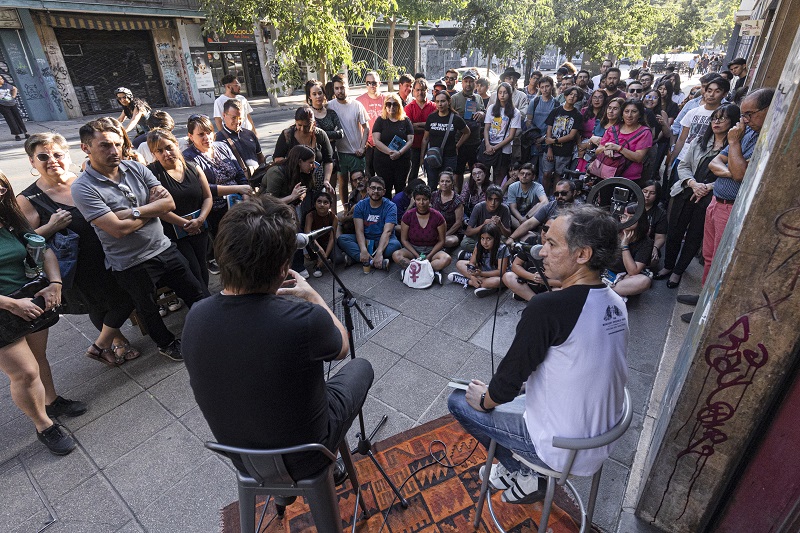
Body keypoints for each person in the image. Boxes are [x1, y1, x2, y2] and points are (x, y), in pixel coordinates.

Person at [182, 195, 373, 482]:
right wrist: (311, 294)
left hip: (243, 459)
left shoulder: (195, 316)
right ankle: (329, 465)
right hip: (307, 455)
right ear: (284, 267)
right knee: (362, 367)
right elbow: (342, 345)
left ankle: (297, 488)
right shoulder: (305, 320)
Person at [449, 205, 627, 503]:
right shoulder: (615, 299)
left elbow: (506, 384)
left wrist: (485, 399)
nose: (541, 252)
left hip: (563, 447)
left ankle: (525, 472)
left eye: (552, 244)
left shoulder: (547, 308)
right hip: (600, 438)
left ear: (582, 255)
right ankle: (524, 468)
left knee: (459, 400)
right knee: (513, 391)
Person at [72, 118, 208, 362]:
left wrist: (135, 211)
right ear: (86, 148)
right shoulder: (83, 187)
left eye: (117, 144)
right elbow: (118, 230)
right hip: (131, 262)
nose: (114, 151)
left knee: (196, 291)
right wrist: (151, 208)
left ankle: (210, 328)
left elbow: (168, 204)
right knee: (148, 310)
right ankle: (166, 344)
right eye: (105, 145)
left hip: (164, 247)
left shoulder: (136, 168)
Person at [18, 133, 138, 367]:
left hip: (112, 251)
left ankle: (103, 344)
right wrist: (51, 226)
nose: (52, 160)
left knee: (128, 294)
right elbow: (25, 242)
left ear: (67, 155)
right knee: (97, 304)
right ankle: (117, 341)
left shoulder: (85, 180)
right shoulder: (29, 198)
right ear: (32, 162)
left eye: (57, 154)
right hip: (78, 265)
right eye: (43, 156)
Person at [0, 170, 86, 456]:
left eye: (1, 190)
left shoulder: (9, 217)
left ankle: (51, 400)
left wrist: (55, 283)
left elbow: (43, 249)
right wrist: (11, 304)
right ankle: (44, 425)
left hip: (28, 300)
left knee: (38, 359)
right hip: (5, 308)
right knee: (24, 372)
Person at [656, 105, 740, 288]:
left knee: (694, 235)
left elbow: (735, 175)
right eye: (714, 118)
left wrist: (707, 187)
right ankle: (668, 266)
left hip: (710, 197)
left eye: (722, 118)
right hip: (686, 190)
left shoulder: (734, 148)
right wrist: (693, 183)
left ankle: (678, 272)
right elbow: (683, 166)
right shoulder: (699, 141)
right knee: (675, 230)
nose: (716, 122)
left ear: (733, 122)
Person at [147, 129, 214, 291]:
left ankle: (203, 300)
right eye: (159, 151)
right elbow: (158, 209)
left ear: (176, 144)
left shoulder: (193, 167)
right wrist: (185, 224)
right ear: (153, 153)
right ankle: (202, 303)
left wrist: (200, 220)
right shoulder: (151, 174)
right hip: (174, 234)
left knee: (202, 266)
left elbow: (207, 197)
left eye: (169, 147)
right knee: (192, 270)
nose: (166, 153)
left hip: (199, 228)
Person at [182, 114, 251, 240]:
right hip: (216, 211)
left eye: (209, 132)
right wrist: (238, 189)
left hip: (240, 203)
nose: (207, 137)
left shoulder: (222, 146)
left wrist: (245, 198)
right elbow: (203, 188)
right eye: (201, 134)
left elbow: (240, 174)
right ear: (191, 136)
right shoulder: (188, 157)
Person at [337, 176, 401, 271]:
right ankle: (375, 261)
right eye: (373, 188)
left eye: (379, 189)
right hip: (366, 239)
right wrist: (363, 249)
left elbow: (387, 232)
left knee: (395, 245)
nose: (375, 191)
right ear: (368, 190)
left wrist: (379, 252)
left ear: (384, 192)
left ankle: (359, 259)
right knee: (342, 239)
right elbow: (359, 231)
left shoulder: (391, 206)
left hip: (383, 240)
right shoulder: (360, 206)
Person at [392, 184, 451, 279]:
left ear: (430, 200)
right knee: (396, 255)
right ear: (414, 200)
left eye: (425, 199)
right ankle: (428, 272)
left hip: (432, 250)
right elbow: (404, 240)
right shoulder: (408, 216)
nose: (421, 202)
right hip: (413, 249)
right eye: (418, 199)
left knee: (446, 259)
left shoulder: (438, 217)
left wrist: (429, 256)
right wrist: (416, 255)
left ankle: (414, 271)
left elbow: (441, 241)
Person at [328, 75, 369, 202]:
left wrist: (362, 147)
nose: (340, 91)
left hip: (356, 153)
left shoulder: (357, 105)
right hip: (340, 153)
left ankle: (359, 208)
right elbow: (314, 113)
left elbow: (366, 128)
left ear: (348, 87)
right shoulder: (329, 106)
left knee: (358, 184)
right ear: (334, 89)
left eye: (342, 87)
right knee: (342, 183)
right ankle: (346, 208)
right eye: (337, 88)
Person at [273, 106, 334, 190]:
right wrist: (295, 165)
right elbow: (277, 158)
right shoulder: (287, 135)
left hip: (317, 181)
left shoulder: (320, 135)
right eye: (299, 125)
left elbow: (328, 160)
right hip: (294, 182)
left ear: (314, 123)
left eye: (306, 126)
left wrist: (326, 180)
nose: (302, 129)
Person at [420, 91, 470, 188]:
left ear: (449, 102)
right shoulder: (431, 117)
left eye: (443, 101)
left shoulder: (455, 118)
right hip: (432, 156)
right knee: (432, 184)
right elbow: (425, 139)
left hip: (449, 156)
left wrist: (458, 145)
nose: (440, 104)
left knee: (446, 185)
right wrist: (422, 157)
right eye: (437, 101)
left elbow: (467, 132)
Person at [596, 100, 653, 181]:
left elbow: (638, 157)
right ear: (622, 114)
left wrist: (618, 148)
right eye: (626, 111)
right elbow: (597, 151)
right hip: (605, 175)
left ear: (640, 114)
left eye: (634, 112)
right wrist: (606, 148)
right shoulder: (612, 129)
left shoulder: (644, 132)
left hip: (628, 179)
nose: (629, 115)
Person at [507, 179, 578, 245]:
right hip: (547, 238)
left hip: (565, 242)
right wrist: (511, 238)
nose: (559, 196)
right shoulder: (551, 205)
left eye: (563, 193)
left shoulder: (580, 211)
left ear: (574, 193)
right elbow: (530, 223)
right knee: (525, 237)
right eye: (556, 194)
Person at [449, 222, 509, 297]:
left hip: (494, 274)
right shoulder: (479, 245)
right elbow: (472, 263)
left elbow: (501, 272)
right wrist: (473, 276)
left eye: (488, 239)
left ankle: (468, 282)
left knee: (498, 281)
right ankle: (482, 285)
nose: (485, 242)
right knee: (460, 263)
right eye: (482, 238)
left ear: (495, 238)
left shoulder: (502, 249)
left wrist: (480, 274)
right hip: (481, 269)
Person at [606, 203, 653, 297]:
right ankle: (607, 291)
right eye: (624, 216)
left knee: (644, 281)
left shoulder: (646, 242)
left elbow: (633, 271)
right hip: (603, 271)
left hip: (623, 277)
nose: (626, 221)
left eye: (631, 218)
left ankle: (606, 291)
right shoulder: (613, 230)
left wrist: (625, 246)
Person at [372, 93, 415, 197]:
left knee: (400, 188)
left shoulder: (405, 120)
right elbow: (376, 141)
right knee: (385, 188)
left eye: (395, 104)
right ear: (385, 106)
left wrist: (399, 153)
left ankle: (399, 211)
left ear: (399, 106)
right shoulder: (380, 121)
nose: (392, 107)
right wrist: (390, 152)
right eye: (389, 104)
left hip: (402, 161)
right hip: (383, 162)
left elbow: (410, 140)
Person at [450, 69, 486, 192]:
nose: (468, 84)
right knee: (458, 171)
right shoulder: (454, 98)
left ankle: (473, 194)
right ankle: (458, 193)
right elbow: (449, 117)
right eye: (466, 81)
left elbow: (485, 113)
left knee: (475, 171)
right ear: (462, 83)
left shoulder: (478, 98)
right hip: (459, 142)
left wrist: (482, 113)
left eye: (471, 81)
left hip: (475, 141)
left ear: (475, 83)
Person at [543, 86, 584, 192]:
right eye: (571, 94)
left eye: (576, 96)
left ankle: (556, 196)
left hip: (565, 151)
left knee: (559, 175)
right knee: (546, 173)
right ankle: (543, 196)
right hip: (550, 149)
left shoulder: (577, 115)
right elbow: (549, 129)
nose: (572, 97)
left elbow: (571, 135)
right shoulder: (556, 111)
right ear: (565, 96)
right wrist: (550, 148)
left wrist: (554, 141)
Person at [216, 99, 265, 177]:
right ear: (224, 115)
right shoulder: (217, 140)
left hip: (258, 180)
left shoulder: (250, 134)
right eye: (233, 118)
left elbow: (260, 158)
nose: (237, 121)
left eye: (240, 118)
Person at [483, 82, 521, 184]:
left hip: (504, 149)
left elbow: (511, 136)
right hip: (489, 144)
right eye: (500, 92)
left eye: (505, 92)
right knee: (485, 173)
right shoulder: (491, 108)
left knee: (500, 175)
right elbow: (486, 128)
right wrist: (487, 145)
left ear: (510, 94)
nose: (502, 95)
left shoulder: (515, 112)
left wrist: (495, 148)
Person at [460, 184, 512, 253]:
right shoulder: (478, 207)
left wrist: (500, 225)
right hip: (481, 238)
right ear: (486, 199)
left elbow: (508, 234)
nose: (493, 203)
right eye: (490, 199)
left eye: (496, 200)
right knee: (465, 243)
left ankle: (482, 253)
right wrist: (484, 225)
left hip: (496, 238)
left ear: (500, 201)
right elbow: (468, 232)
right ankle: (491, 253)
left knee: (509, 244)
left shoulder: (504, 209)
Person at [307, 80, 344, 174]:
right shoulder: (308, 115)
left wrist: (322, 134)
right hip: (314, 156)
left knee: (331, 186)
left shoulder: (331, 113)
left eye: (320, 93)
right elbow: (314, 134)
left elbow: (340, 133)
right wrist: (332, 134)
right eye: (314, 94)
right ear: (309, 96)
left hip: (331, 154)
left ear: (324, 94)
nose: (318, 96)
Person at [405, 78, 437, 185]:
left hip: (430, 145)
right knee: (413, 172)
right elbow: (409, 127)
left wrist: (417, 125)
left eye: (423, 90)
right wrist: (427, 125)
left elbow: (435, 126)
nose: (420, 92)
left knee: (431, 173)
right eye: (417, 90)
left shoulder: (434, 106)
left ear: (427, 90)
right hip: (413, 146)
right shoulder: (409, 108)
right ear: (413, 91)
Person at [525, 76, 557, 181]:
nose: (545, 89)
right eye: (542, 87)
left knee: (545, 172)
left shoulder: (556, 104)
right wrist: (536, 138)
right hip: (534, 141)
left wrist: (544, 138)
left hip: (548, 141)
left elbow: (556, 125)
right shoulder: (535, 102)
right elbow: (528, 121)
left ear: (552, 87)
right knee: (532, 169)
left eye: (547, 86)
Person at [356, 71, 385, 177]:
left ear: (379, 83)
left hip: (383, 144)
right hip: (368, 145)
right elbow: (357, 124)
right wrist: (362, 143)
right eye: (368, 83)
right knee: (368, 176)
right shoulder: (358, 101)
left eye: (374, 83)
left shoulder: (386, 100)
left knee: (383, 176)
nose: (371, 85)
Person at [304, 191, 338, 277]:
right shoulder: (310, 215)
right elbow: (308, 233)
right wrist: (319, 249)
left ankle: (322, 261)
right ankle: (317, 263)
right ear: (315, 204)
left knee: (338, 259)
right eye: (319, 202)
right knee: (314, 253)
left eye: (325, 202)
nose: (322, 204)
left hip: (327, 242)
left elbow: (332, 238)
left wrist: (324, 257)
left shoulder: (334, 218)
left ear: (330, 205)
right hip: (314, 242)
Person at [506, 163, 547, 228]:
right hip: (517, 219)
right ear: (518, 175)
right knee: (506, 211)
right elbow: (513, 207)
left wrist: (526, 217)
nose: (524, 176)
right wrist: (521, 219)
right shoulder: (512, 187)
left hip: (531, 217)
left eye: (528, 174)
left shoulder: (538, 187)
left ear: (533, 177)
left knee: (540, 205)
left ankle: (522, 230)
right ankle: (524, 230)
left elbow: (545, 202)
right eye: (522, 173)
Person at [431, 169, 464, 248]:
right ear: (439, 183)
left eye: (447, 181)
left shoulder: (457, 200)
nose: (444, 184)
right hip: (436, 229)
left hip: (451, 232)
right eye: (442, 181)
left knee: (449, 241)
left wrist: (444, 235)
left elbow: (458, 223)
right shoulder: (434, 195)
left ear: (452, 183)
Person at [577, 90, 607, 172]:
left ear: (604, 99)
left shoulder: (607, 114)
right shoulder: (584, 111)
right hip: (581, 143)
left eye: (600, 97)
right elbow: (577, 130)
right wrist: (580, 145)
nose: (597, 100)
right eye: (594, 97)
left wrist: (588, 144)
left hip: (597, 144)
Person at [641, 180, 667, 268]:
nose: (647, 195)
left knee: (653, 259)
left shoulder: (660, 214)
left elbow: (660, 237)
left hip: (647, 244)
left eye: (652, 193)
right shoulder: (630, 206)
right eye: (644, 191)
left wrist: (655, 248)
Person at [0, 76, 30, 141]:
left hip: (12, 104)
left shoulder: (6, 85)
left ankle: (26, 133)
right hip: (3, 106)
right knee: (10, 120)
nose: (1, 80)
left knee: (18, 118)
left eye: (2, 78)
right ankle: (17, 135)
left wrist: (13, 96)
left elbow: (15, 89)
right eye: (0, 79)